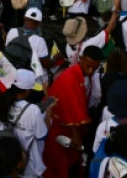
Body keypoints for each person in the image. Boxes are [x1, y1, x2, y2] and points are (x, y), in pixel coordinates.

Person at [43, 46, 102, 178]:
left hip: (69, 128)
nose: (91, 70)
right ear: (80, 59)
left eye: (95, 67)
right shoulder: (70, 78)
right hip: (61, 129)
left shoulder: (82, 75)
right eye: (88, 66)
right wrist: (76, 135)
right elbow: (69, 110)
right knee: (60, 167)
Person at [0, 69, 49, 178]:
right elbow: (42, 136)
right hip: (29, 168)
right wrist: (50, 111)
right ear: (27, 91)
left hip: (5, 164)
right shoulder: (33, 110)